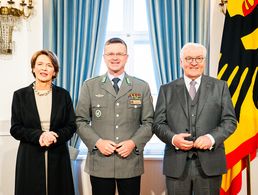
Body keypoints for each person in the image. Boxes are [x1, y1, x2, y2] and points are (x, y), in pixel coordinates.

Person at [153, 43, 237, 195]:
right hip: (176, 165)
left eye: (198, 58)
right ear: (181, 62)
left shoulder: (220, 87)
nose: (194, 62)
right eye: (189, 58)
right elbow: (158, 124)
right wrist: (173, 139)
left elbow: (230, 121)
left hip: (210, 164)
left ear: (204, 61)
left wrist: (211, 138)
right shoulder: (167, 90)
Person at [76, 37, 154, 195]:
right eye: (110, 53)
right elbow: (80, 121)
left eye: (119, 53)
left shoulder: (141, 86)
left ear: (126, 57)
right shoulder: (89, 86)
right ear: (104, 57)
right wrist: (98, 142)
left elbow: (149, 122)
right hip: (100, 162)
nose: (115, 57)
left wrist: (133, 142)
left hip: (130, 161)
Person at [10, 50, 76, 195]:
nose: (44, 68)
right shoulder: (20, 95)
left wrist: (55, 135)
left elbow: (71, 125)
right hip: (29, 155)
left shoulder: (63, 95)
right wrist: (39, 135)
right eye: (39, 64)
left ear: (54, 71)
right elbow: (15, 128)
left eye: (49, 65)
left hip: (58, 154)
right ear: (33, 68)